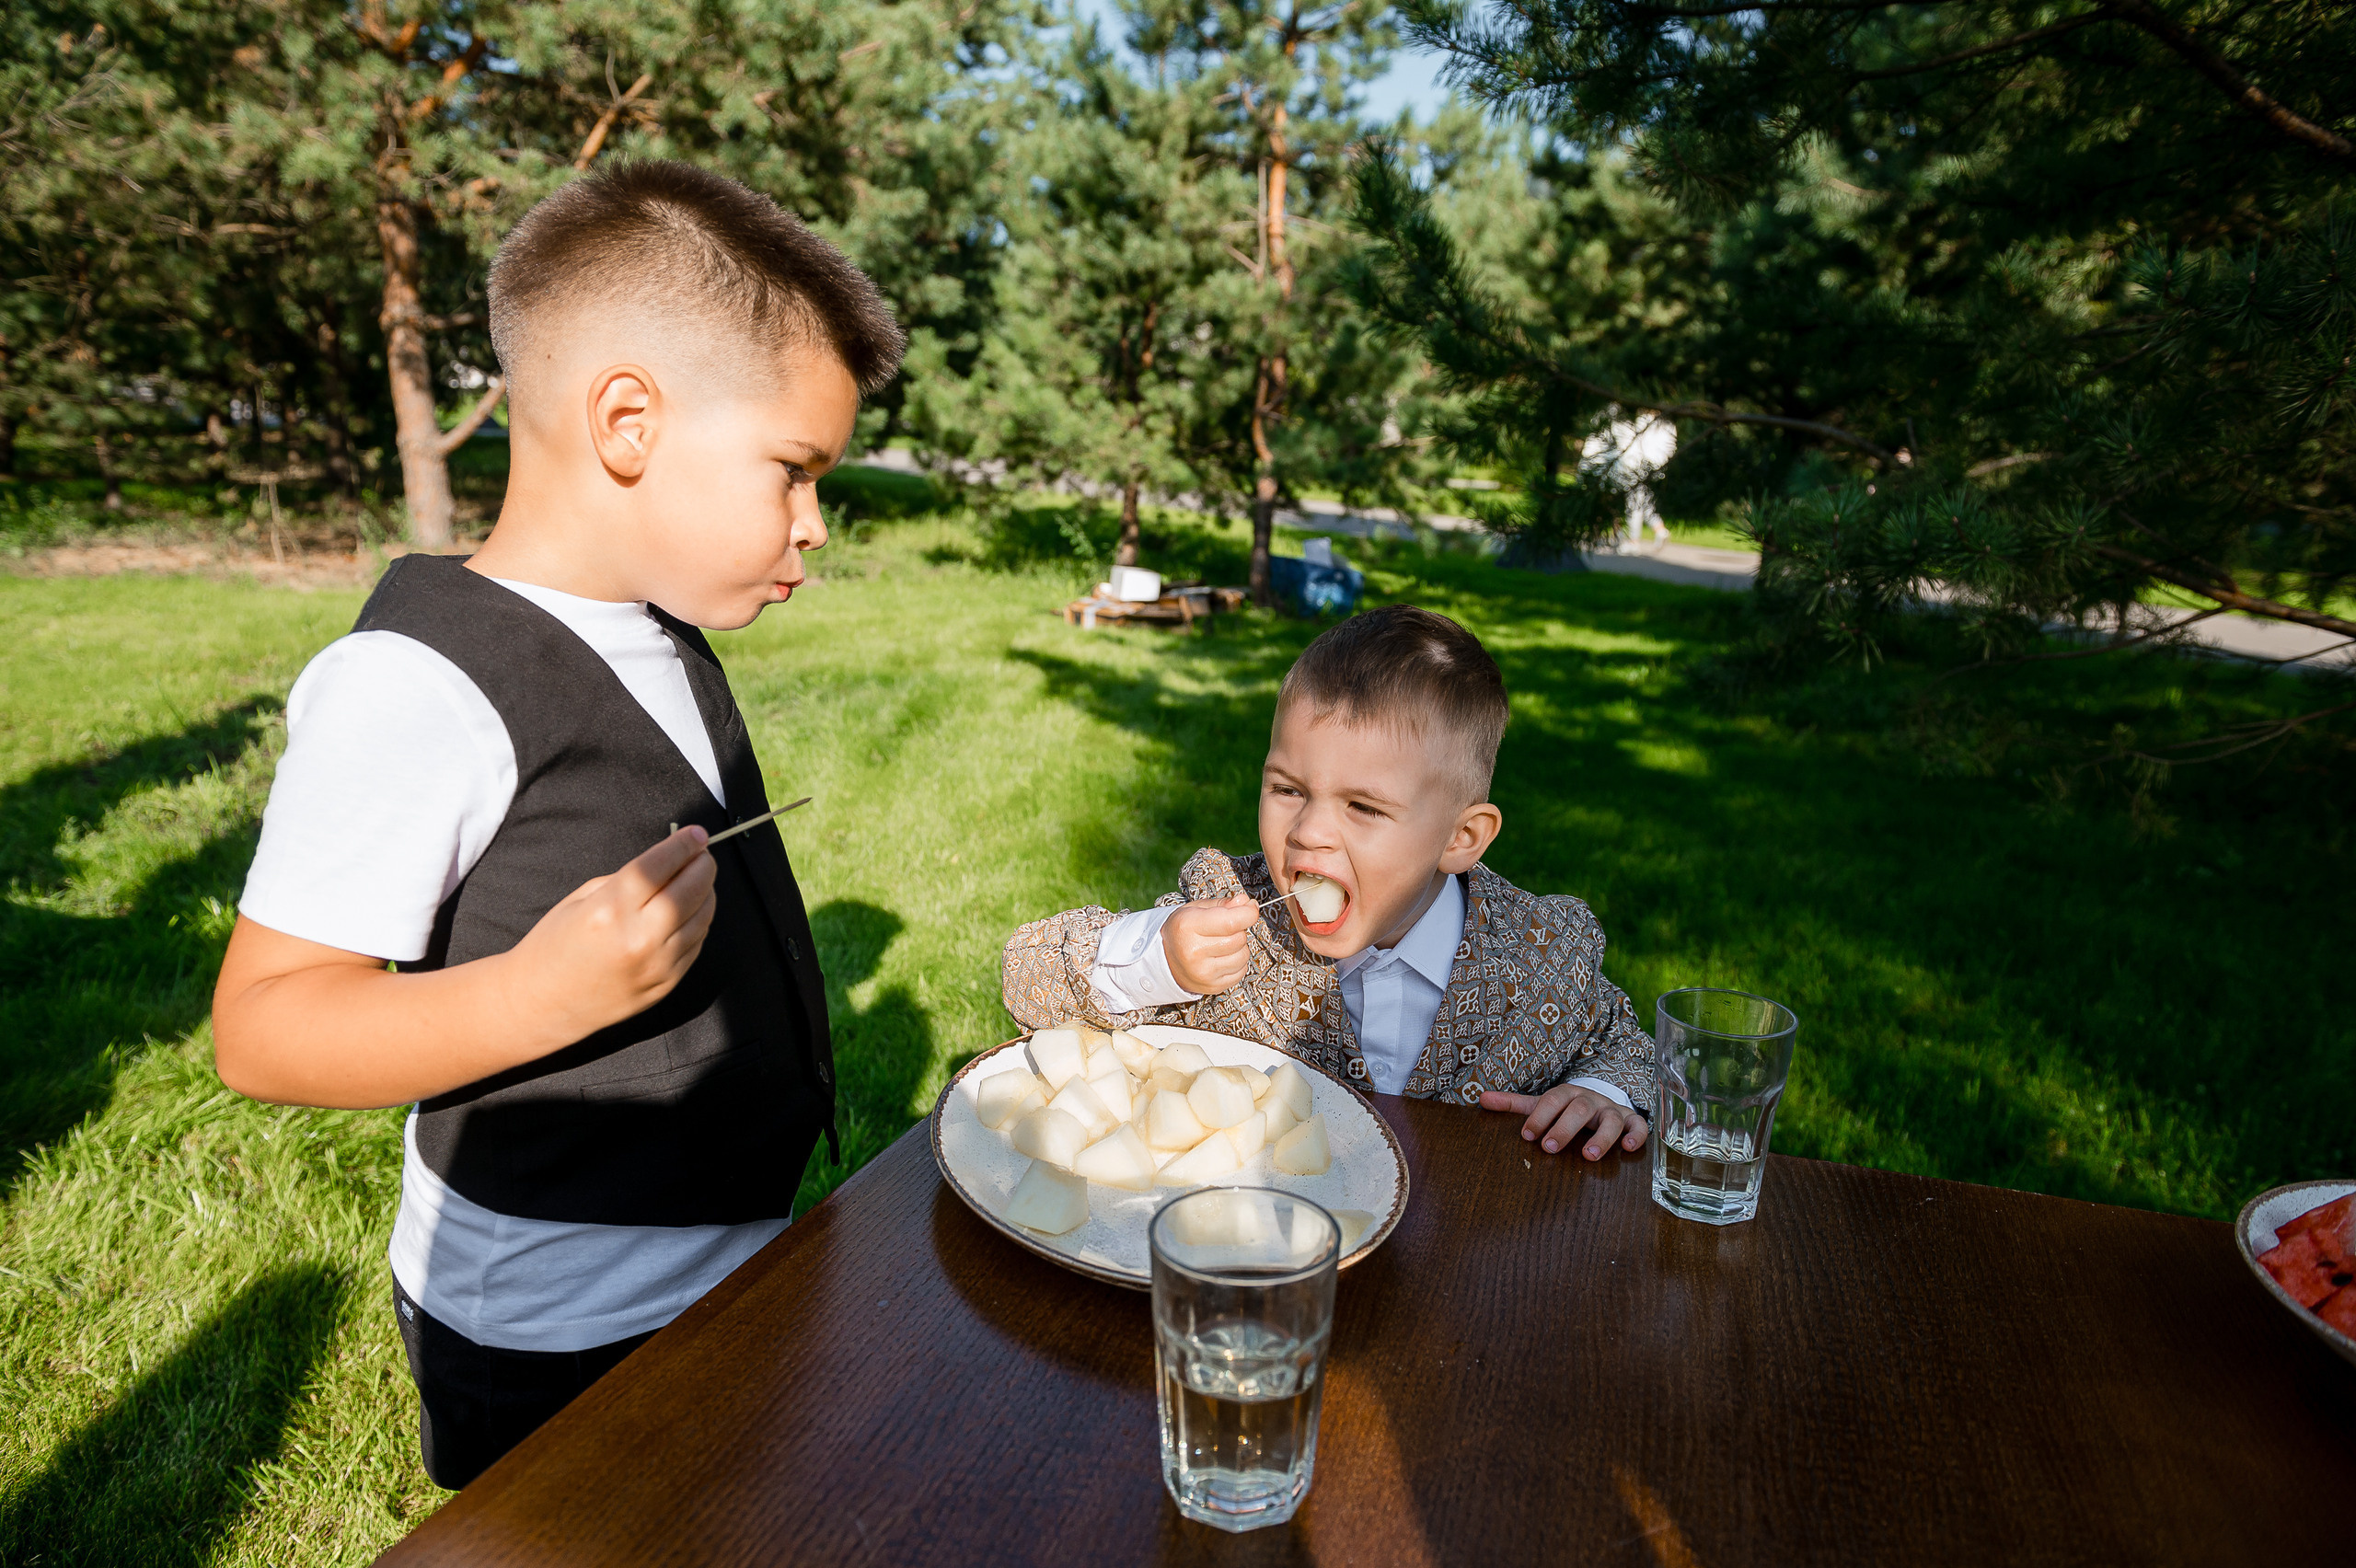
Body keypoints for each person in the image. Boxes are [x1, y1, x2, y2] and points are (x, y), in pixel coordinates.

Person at [210, 161, 905, 1489]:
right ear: (629, 421)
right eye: (795, 472)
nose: (816, 527)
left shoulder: (658, 623)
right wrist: (538, 995)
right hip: (555, 1335)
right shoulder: (416, 686)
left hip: (722, 1271)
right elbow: (264, 1027)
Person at [1001, 606, 1655, 1163]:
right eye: (1287, 790)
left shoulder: (1539, 957)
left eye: (1363, 808)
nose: (1310, 832)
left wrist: (1607, 1094)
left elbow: (1632, 1046)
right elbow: (1026, 977)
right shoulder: (1234, 914)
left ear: (1461, 839)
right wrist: (1160, 960)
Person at [1580, 409, 1677, 552]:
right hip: (1643, 466)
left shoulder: (1639, 420)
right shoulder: (1663, 424)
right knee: (1642, 502)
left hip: (1632, 465)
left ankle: (1632, 540)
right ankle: (1657, 531)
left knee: (1635, 503)